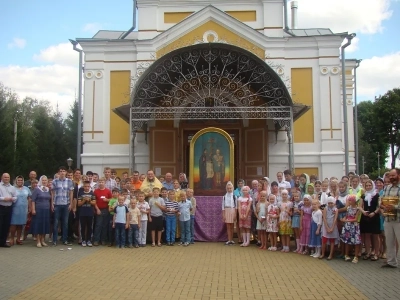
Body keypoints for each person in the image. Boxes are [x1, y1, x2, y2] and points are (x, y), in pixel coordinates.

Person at [380, 168, 400, 268]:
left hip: (398, 219)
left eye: (393, 175)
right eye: (390, 176)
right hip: (388, 219)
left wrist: (394, 207)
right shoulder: (387, 188)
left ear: (398, 175)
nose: (391, 178)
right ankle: (391, 261)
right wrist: (383, 206)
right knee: (389, 241)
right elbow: (382, 199)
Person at [51, 166, 74, 246]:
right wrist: (52, 204)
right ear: (58, 172)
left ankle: (65, 240)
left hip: (66, 204)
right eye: (61, 171)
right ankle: (54, 240)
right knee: (56, 223)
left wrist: (71, 204)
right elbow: (53, 193)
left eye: (64, 171)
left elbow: (71, 193)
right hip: (57, 204)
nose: (62, 172)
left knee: (65, 223)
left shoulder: (69, 181)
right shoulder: (55, 181)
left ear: (66, 172)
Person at [359, 179, 380, 261]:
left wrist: (374, 213)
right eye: (366, 186)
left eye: (369, 185)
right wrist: (363, 212)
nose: (368, 187)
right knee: (367, 236)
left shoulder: (376, 195)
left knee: (375, 236)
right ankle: (368, 252)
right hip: (365, 216)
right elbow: (360, 206)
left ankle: (376, 253)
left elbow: (379, 206)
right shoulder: (363, 195)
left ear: (372, 185)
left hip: (374, 216)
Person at [9, 176, 31, 246]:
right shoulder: (12, 188)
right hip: (15, 208)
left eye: (21, 180)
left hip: (23, 209)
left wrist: (29, 207)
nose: (20, 182)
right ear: (16, 181)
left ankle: (18, 239)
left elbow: (29, 198)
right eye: (18, 180)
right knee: (13, 224)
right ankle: (11, 238)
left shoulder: (26, 188)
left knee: (20, 224)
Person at [30, 176, 51, 248]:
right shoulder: (37, 189)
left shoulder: (48, 189)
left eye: (46, 180)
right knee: (38, 225)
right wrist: (33, 209)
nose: (44, 181)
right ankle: (38, 241)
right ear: (40, 181)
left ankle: (43, 240)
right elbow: (33, 200)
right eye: (43, 180)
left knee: (44, 225)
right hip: (39, 209)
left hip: (46, 209)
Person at [340, 195, 361, 264]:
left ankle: (356, 256)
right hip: (348, 226)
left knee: (356, 241)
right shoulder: (348, 208)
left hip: (354, 226)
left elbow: (356, 219)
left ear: (354, 201)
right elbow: (346, 216)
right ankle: (346, 254)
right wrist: (343, 219)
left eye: (350, 200)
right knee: (347, 240)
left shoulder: (358, 209)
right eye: (348, 200)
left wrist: (347, 220)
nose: (349, 201)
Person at [93, 177, 112, 246]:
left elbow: (112, 199)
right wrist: (97, 209)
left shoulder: (108, 191)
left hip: (106, 210)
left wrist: (107, 200)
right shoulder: (96, 191)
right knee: (98, 225)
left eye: (102, 182)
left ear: (105, 183)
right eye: (100, 182)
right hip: (99, 210)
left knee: (105, 225)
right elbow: (94, 201)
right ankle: (96, 240)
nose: (101, 183)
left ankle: (103, 240)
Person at [77, 180, 96, 247]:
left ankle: (89, 240)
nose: (87, 188)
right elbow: (79, 204)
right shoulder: (81, 193)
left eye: (88, 186)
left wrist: (89, 200)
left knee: (90, 227)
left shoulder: (92, 193)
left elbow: (94, 203)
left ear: (90, 187)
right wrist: (84, 200)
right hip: (82, 213)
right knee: (82, 227)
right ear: (83, 186)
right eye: (85, 186)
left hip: (90, 213)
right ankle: (83, 240)